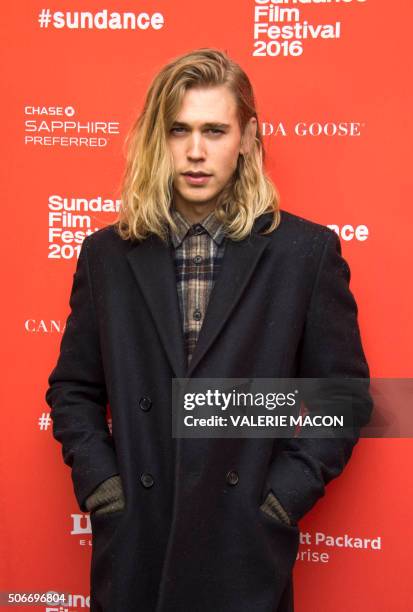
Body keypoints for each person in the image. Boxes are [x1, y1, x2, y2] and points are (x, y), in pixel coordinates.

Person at [45, 48, 372, 612]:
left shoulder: (304, 253)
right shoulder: (107, 254)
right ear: (158, 138)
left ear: (247, 138)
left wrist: (278, 499)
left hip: (242, 546)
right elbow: (74, 388)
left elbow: (341, 396)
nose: (196, 152)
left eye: (215, 130)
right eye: (180, 130)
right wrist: (105, 489)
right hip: (137, 544)